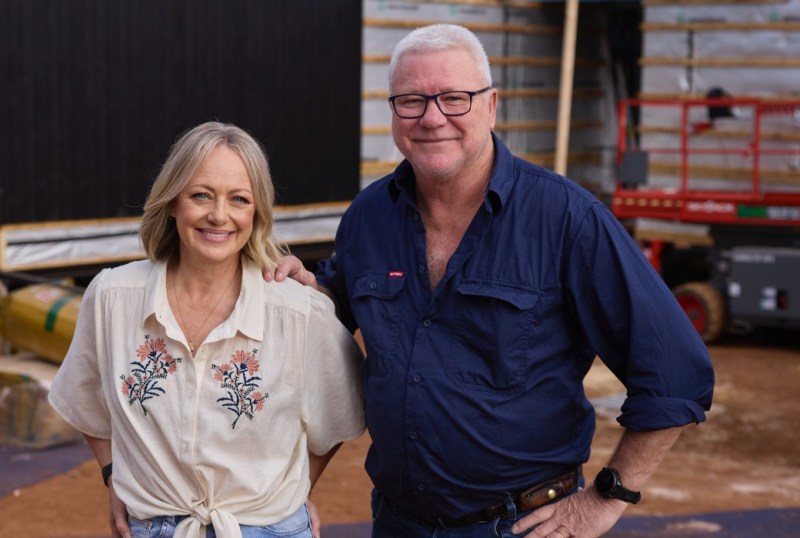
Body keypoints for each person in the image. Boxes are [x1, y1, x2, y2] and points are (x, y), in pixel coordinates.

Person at [267, 23, 715, 538]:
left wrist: (606, 498)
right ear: (392, 111)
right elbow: (338, 318)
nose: (433, 118)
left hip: (523, 525)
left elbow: (676, 370)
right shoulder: (370, 216)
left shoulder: (567, 219)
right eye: (411, 100)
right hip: (397, 522)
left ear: (492, 105)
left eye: (455, 98)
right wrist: (311, 290)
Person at [49, 122, 365, 538]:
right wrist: (113, 475)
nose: (219, 215)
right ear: (173, 201)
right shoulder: (112, 297)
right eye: (201, 195)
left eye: (239, 199)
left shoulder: (301, 313)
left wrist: (293, 492)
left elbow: (340, 417)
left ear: (257, 212)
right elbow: (83, 398)